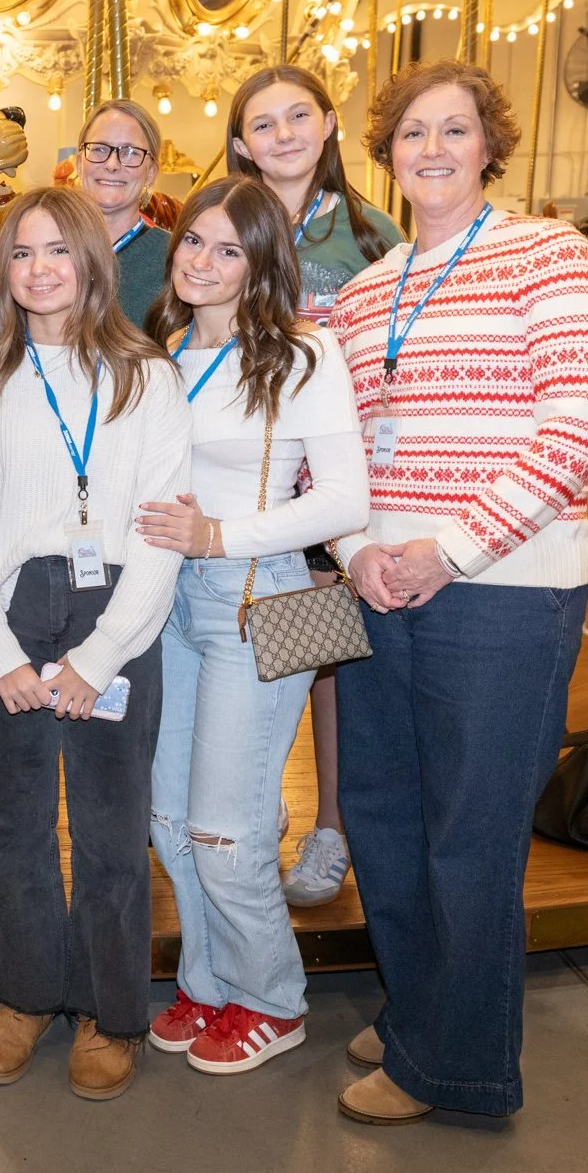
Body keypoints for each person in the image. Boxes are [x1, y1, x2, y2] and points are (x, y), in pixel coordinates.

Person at [330, 60, 588, 1125]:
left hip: (498, 586)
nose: (431, 149)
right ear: (387, 151)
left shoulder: (546, 253)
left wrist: (446, 548)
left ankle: (452, 1066)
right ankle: (422, 1006)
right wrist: (360, 544)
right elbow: (344, 448)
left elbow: (577, 421)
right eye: (411, 133)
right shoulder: (367, 289)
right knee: (383, 817)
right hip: (381, 581)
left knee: (468, 830)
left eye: (452, 130)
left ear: (488, 144)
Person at [0, 186, 189, 1102]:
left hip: (114, 611)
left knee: (111, 825)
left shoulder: (147, 377)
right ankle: (24, 992)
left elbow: (163, 532)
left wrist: (102, 656)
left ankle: (109, 1008)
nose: (39, 269)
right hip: (13, 610)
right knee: (13, 820)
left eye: (57, 250)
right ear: (5, 270)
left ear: (93, 260)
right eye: (21, 252)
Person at [133, 176, 367, 1076]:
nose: (203, 261)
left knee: (228, 828)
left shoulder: (304, 355)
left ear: (262, 262)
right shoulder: (160, 348)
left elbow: (345, 499)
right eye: (195, 241)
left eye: (230, 249)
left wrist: (221, 534)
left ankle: (273, 995)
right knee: (170, 821)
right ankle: (208, 977)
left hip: (256, 598)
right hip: (167, 604)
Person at [226, 65, 404, 909]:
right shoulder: (226, 225)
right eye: (264, 123)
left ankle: (329, 823)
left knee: (322, 657)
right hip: (243, 475)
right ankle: (249, 817)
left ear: (329, 124)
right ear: (239, 144)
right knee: (245, 658)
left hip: (322, 481)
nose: (285, 133)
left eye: (300, 115)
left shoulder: (370, 233)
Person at [72, 99, 171, 327]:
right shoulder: (47, 248)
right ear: (79, 164)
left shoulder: (175, 258)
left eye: (130, 152)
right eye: (99, 149)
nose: (112, 164)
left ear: (151, 173)